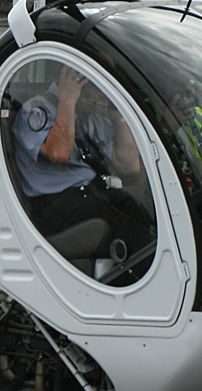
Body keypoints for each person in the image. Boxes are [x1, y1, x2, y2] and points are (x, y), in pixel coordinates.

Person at [9, 63, 153, 271]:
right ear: (73, 82)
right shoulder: (37, 110)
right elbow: (59, 154)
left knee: (145, 200)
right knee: (128, 202)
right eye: (97, 85)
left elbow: (129, 166)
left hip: (88, 199)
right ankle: (143, 276)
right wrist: (67, 101)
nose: (104, 92)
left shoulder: (94, 120)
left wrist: (118, 115)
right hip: (53, 208)